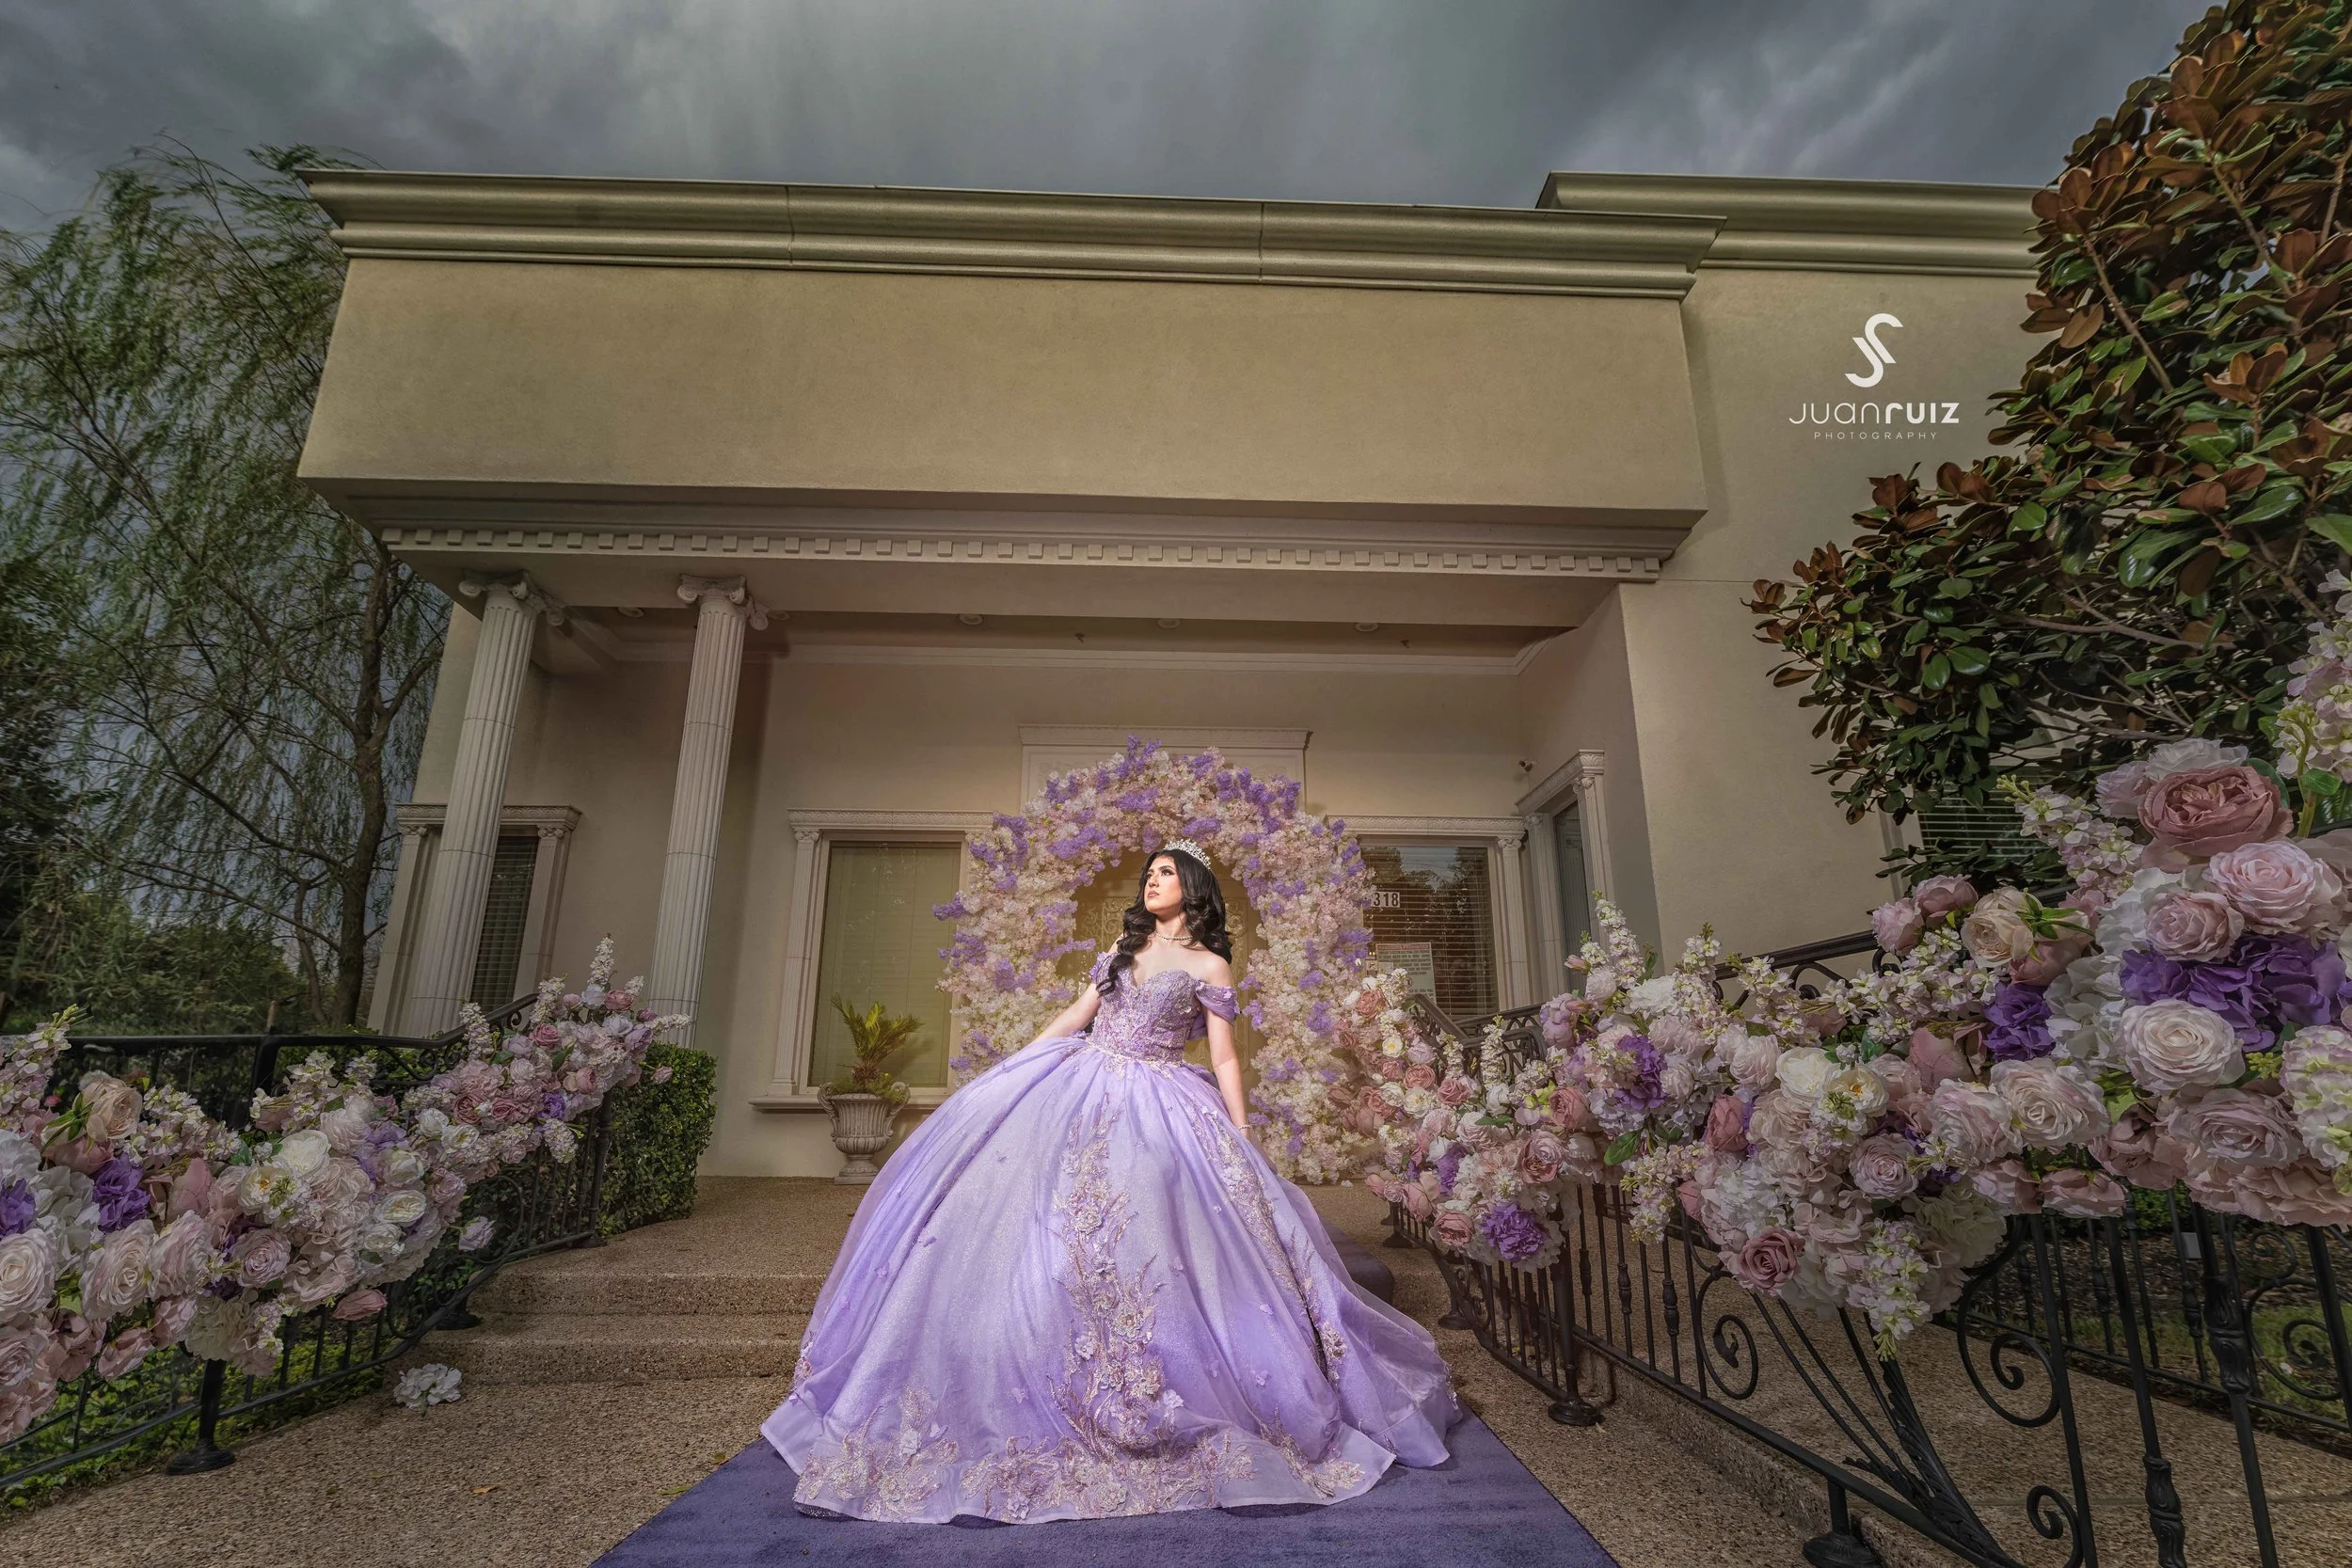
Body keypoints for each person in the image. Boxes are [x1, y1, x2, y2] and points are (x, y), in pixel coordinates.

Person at [760, 841, 1465, 1525]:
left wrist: (1241, 1131)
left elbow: (1222, 1058)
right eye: (1148, 872)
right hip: (1082, 1079)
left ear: (1192, 886)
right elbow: (1077, 1016)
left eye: (1165, 871)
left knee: (1148, 1225)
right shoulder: (1122, 951)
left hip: (1162, 1098)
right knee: (1039, 1223)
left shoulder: (1211, 964)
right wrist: (1016, 1067)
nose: (1151, 881)